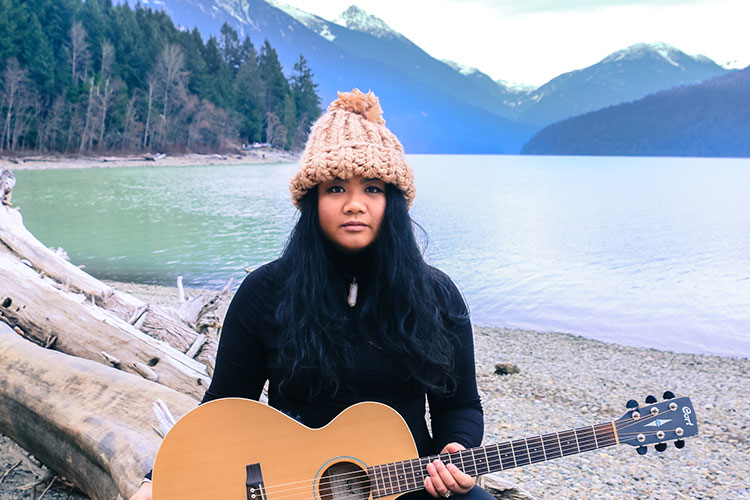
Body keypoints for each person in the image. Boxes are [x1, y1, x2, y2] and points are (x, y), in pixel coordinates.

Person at [129, 89, 492, 500]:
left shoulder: (437, 296)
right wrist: (157, 480)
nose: (355, 204)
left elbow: (460, 405)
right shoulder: (265, 292)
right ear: (312, 200)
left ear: (393, 202)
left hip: (406, 486)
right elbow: (224, 405)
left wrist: (457, 447)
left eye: (372, 188)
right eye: (336, 188)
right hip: (290, 488)